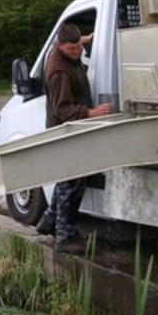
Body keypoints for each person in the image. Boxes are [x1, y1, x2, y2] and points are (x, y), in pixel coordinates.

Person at [33, 24, 111, 250]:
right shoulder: (59, 71)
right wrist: (90, 113)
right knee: (71, 183)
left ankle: (48, 222)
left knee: (70, 180)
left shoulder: (63, 50)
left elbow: (75, 42)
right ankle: (66, 238)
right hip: (65, 130)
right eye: (72, 49)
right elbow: (62, 109)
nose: (77, 52)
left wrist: (85, 39)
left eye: (79, 47)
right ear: (59, 47)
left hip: (73, 130)